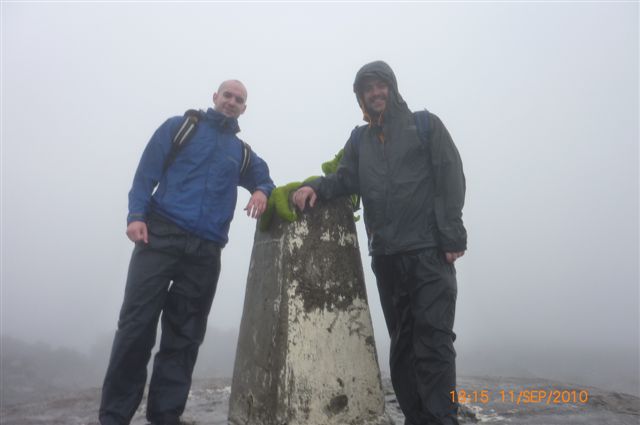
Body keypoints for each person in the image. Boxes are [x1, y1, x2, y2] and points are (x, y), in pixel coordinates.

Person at [293, 61, 466, 425]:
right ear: (361, 97)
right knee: (402, 346)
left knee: (433, 342)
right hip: (387, 257)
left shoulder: (424, 125)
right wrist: (313, 187)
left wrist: (452, 235)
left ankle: (441, 418)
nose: (375, 93)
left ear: (392, 87)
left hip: (427, 253)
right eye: (367, 89)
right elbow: (343, 179)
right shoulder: (360, 140)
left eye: (380, 85)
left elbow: (451, 175)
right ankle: (416, 417)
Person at [99, 80, 275, 425]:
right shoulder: (179, 128)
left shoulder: (240, 152)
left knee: (185, 336)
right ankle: (114, 416)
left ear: (244, 108)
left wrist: (261, 192)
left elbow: (262, 176)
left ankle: (165, 416)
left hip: (206, 251)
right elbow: (145, 173)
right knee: (136, 327)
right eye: (227, 95)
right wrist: (136, 215)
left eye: (239, 100)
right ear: (215, 97)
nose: (232, 102)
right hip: (160, 235)